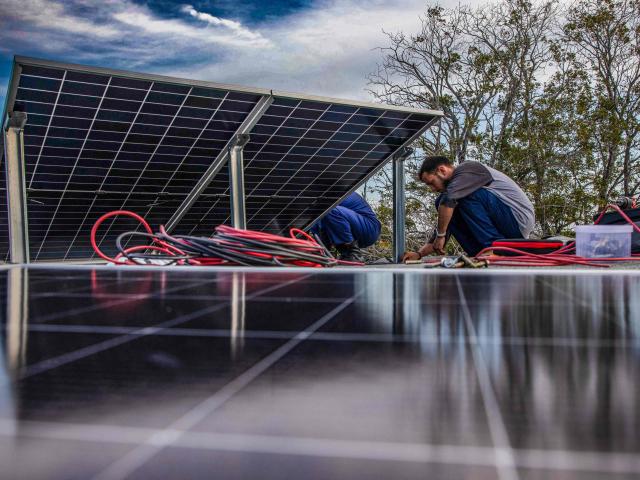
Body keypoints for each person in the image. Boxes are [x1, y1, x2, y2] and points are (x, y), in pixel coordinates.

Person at [403, 156, 535, 260]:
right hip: (504, 225)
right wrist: (419, 254)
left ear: (442, 171)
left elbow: (449, 201)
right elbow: (443, 230)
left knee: (459, 197)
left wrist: (441, 235)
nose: (432, 189)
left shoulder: (468, 168)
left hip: (517, 220)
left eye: (432, 182)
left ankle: (494, 249)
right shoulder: (452, 193)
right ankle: (479, 252)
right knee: (442, 203)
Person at [310, 192, 381, 262]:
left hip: (369, 228)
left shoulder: (335, 192)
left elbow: (332, 215)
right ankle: (345, 254)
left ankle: (354, 254)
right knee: (317, 221)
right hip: (356, 229)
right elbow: (320, 229)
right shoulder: (318, 201)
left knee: (329, 210)